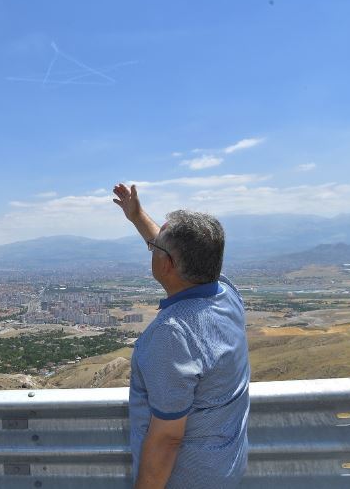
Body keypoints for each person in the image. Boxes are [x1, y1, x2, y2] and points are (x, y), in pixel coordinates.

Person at [112, 183, 250, 489]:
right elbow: (177, 255)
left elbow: (166, 439)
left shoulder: (173, 334)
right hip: (224, 468)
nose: (152, 247)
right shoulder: (225, 293)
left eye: (156, 246)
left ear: (167, 264)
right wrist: (137, 217)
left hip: (188, 478)